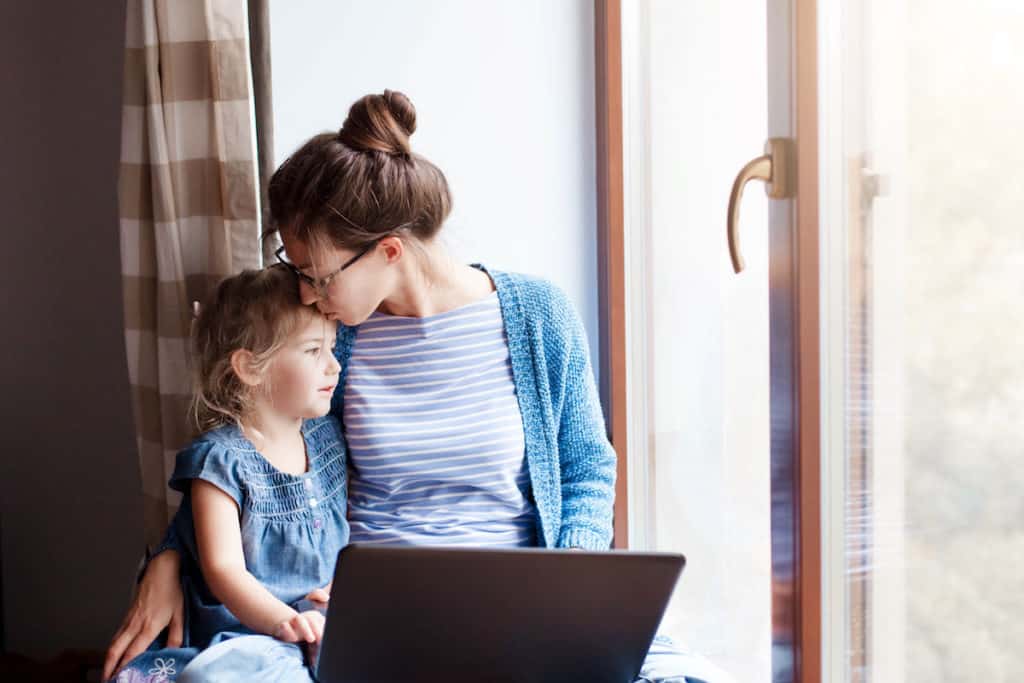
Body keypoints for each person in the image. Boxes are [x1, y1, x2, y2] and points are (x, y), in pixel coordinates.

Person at [105, 89, 723, 683]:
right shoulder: (328, 341)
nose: (304, 293)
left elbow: (587, 468)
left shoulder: (538, 315)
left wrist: (570, 593)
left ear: (390, 251)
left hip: (522, 608)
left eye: (317, 274)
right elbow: (255, 458)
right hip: (372, 616)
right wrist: (170, 554)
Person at [109, 267, 349, 682]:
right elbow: (224, 570)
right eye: (313, 351)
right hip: (245, 636)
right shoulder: (220, 460)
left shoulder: (328, 436)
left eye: (333, 347)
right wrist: (284, 623)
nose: (334, 366)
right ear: (251, 368)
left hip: (319, 624)